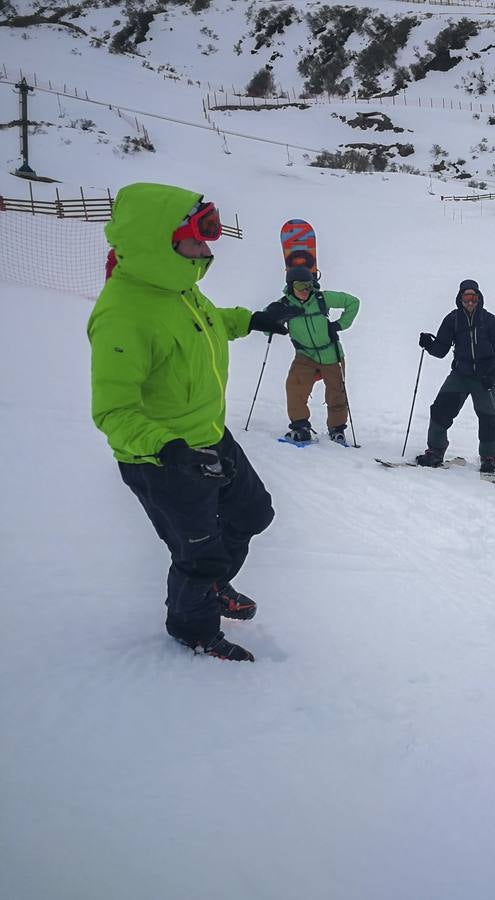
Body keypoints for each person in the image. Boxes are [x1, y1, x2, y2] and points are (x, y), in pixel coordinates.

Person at [88, 183, 297, 662]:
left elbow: (209, 323)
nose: (205, 252)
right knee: (198, 556)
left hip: (209, 438)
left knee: (252, 514)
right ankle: (191, 627)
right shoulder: (123, 315)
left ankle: (213, 585)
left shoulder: (179, 290)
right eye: (195, 242)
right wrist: (170, 451)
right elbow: (112, 412)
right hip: (162, 459)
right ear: (158, 241)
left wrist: (254, 320)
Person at [415, 279, 495, 473]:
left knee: (488, 417)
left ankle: (488, 458)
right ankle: (435, 451)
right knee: (440, 410)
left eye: (474, 297)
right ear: (460, 298)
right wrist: (428, 344)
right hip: (460, 374)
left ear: (479, 299)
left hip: (484, 378)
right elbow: (441, 349)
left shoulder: (489, 320)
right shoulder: (453, 319)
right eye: (467, 297)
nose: (470, 302)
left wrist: (492, 374)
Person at [273, 265, 361, 445]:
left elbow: (353, 302)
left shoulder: (322, 298)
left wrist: (339, 325)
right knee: (295, 388)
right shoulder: (285, 305)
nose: (306, 290)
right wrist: (275, 319)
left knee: (336, 392)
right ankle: (300, 427)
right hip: (304, 354)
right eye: (300, 286)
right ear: (291, 286)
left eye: (309, 286)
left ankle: (337, 430)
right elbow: (267, 328)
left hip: (330, 353)